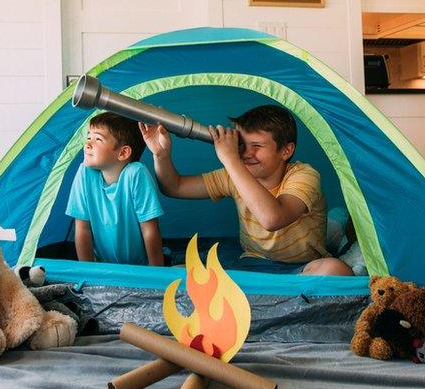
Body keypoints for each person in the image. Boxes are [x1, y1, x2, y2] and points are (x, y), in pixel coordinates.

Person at [139, 105, 353, 276]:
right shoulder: (235, 173)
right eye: (241, 145)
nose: (247, 153)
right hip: (252, 264)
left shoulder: (304, 175)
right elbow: (174, 187)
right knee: (180, 274)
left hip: (300, 267)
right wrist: (161, 155)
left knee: (336, 270)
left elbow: (272, 219)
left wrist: (231, 160)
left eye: (257, 146)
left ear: (286, 151)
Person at [66, 112, 165, 266]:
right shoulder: (85, 173)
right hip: (103, 266)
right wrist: (87, 271)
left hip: (140, 266)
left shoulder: (135, 173)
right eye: (88, 137)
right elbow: (82, 229)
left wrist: (157, 273)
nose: (87, 144)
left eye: (98, 139)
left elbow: (150, 229)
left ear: (123, 152)